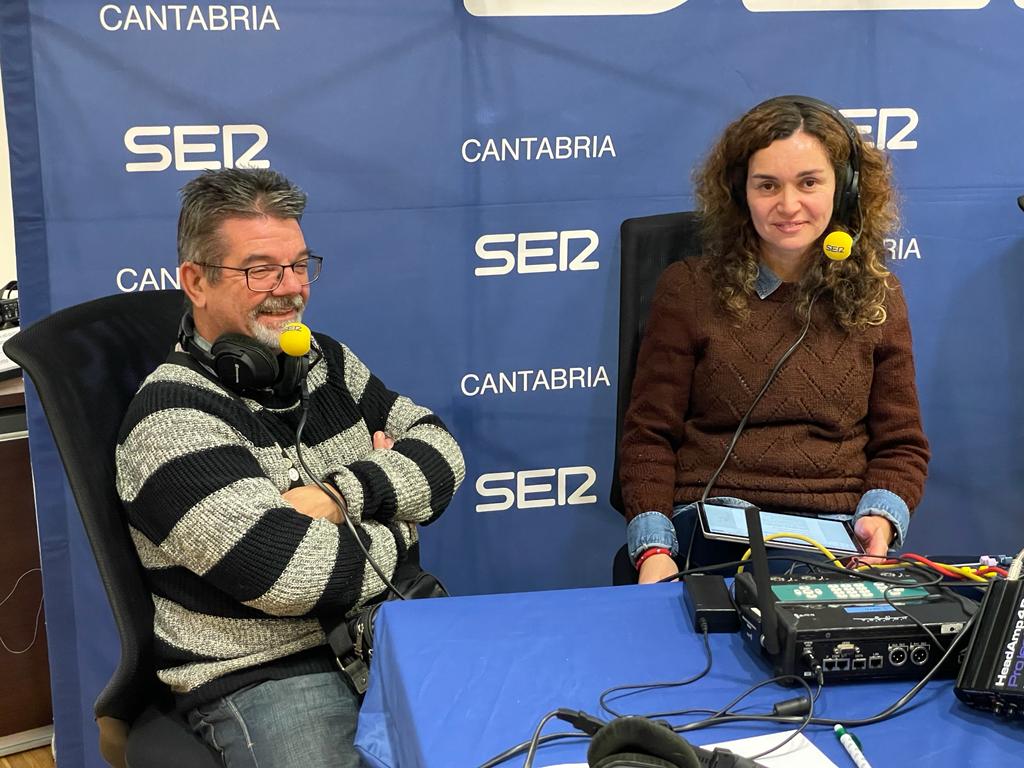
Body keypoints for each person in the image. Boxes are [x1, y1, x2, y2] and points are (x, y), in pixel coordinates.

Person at [115, 168, 465, 766]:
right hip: (265, 674)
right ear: (195, 282)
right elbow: (293, 574)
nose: (291, 287)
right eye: (260, 270)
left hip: (386, 633)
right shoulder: (168, 421)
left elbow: (442, 456)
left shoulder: (323, 359)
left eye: (301, 264)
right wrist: (401, 523)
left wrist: (342, 495)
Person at [617, 96, 930, 585]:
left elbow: (901, 444)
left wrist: (880, 521)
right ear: (741, 192)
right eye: (767, 186)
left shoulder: (879, 294)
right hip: (714, 520)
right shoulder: (689, 288)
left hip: (834, 532)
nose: (788, 205)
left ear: (844, 189)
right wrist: (655, 548)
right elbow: (648, 436)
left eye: (809, 182)